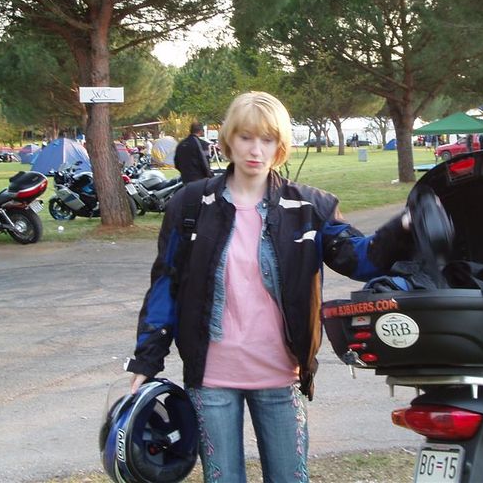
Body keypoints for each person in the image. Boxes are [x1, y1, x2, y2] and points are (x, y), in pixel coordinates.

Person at [125, 91, 424, 483]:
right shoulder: (191, 204)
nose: (256, 150)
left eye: (267, 139)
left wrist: (404, 226)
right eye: (246, 137)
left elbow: (361, 260)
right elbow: (166, 283)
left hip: (282, 374)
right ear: (228, 139)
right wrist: (146, 360)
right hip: (211, 378)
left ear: (280, 145)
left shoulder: (309, 207)